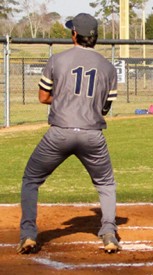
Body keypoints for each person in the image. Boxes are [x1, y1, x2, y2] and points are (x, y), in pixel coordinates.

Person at [17, 13, 121, 254]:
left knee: (31, 180)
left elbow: (44, 97)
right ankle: (108, 233)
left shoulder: (58, 59)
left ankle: (28, 234)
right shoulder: (108, 67)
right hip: (92, 134)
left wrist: (65, 100)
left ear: (75, 34)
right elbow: (104, 108)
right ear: (95, 37)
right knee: (105, 183)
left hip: (59, 133)